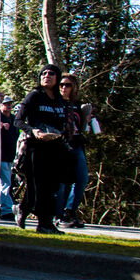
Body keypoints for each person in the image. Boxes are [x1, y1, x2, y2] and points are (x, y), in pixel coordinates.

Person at [14, 64, 70, 234]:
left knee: (51, 186)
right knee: (38, 186)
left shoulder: (60, 101)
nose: (46, 76)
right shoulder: (34, 97)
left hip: (55, 149)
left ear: (57, 78)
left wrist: (62, 135)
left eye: (51, 73)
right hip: (34, 148)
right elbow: (18, 121)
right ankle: (44, 223)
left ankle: (24, 210)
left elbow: (64, 124)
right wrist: (33, 131)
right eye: (43, 73)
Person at [56, 73, 92, 229]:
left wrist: (87, 121)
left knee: (82, 178)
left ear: (74, 87)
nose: (64, 88)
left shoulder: (77, 105)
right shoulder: (55, 103)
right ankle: (59, 215)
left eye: (68, 85)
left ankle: (70, 210)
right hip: (61, 146)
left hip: (76, 145)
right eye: (61, 85)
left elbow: (81, 126)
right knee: (62, 183)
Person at [0, 98, 20, 221]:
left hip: (10, 156)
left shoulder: (14, 119)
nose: (8, 106)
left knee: (2, 183)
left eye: (10, 104)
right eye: (5, 104)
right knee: (5, 183)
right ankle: (6, 210)